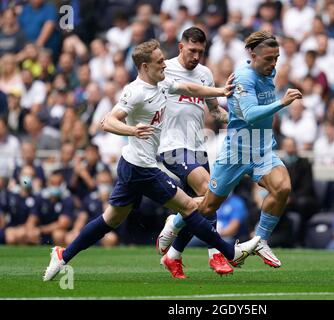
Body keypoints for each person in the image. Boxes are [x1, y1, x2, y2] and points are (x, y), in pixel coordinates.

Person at [43, 39, 260, 282]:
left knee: (110, 220)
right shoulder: (135, 92)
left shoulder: (163, 82)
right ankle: (231, 252)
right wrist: (132, 130)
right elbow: (107, 121)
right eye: (159, 62)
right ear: (145, 66)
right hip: (141, 168)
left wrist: (220, 91)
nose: (164, 66)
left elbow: (189, 89)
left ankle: (63, 255)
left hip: (133, 166)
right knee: (189, 207)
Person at [158, 31, 302, 269]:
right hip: (236, 152)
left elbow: (233, 114)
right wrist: (281, 103)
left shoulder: (269, 72)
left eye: (276, 58)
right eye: (268, 59)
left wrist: (233, 116)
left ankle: (261, 240)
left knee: (283, 188)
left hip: (262, 148)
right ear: (253, 56)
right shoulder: (243, 78)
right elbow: (250, 114)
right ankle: (174, 222)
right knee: (207, 206)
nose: (273, 63)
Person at [157, 27, 232, 277]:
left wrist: (234, 119)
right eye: (192, 51)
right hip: (172, 145)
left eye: (200, 52)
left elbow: (214, 111)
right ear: (181, 47)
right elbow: (189, 91)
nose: (196, 56)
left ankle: (174, 253)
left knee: (203, 206)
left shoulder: (205, 74)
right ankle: (216, 253)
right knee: (209, 191)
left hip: (198, 147)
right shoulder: (164, 69)